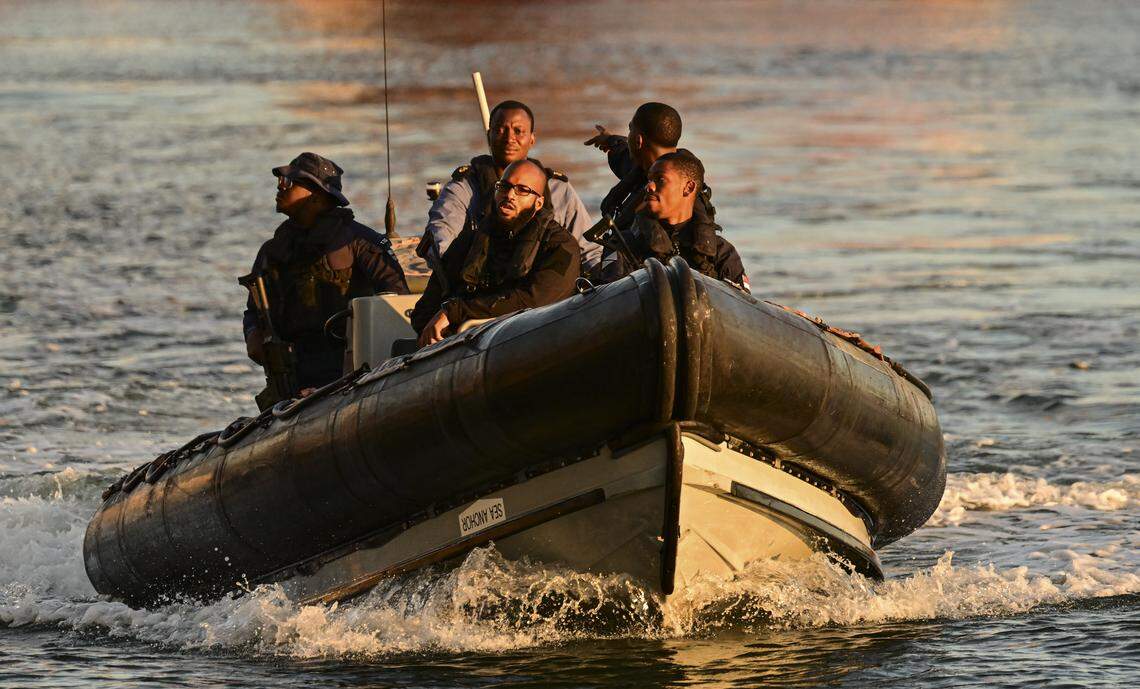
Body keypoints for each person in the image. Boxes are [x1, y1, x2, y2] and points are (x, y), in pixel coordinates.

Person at [243, 152, 409, 399]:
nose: (280, 187)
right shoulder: (273, 251)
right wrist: (253, 334)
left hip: (347, 365)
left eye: (289, 183)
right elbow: (253, 311)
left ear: (317, 196)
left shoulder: (359, 242)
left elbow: (397, 298)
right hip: (293, 369)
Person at [420, 100, 601, 276]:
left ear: (532, 139)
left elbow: (589, 251)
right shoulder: (464, 187)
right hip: (483, 286)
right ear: (489, 136)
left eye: (518, 131)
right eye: (500, 130)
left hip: (545, 288)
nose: (509, 139)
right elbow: (441, 237)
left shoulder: (558, 189)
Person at [410, 159, 580, 347]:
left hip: (535, 345)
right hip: (464, 349)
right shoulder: (471, 240)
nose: (510, 195)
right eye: (504, 186)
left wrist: (457, 311)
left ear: (538, 203)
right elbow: (426, 308)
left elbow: (534, 300)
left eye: (522, 190)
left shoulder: (561, 247)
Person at [600, 151, 750, 293]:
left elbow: (744, 309)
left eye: (660, 179)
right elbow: (610, 302)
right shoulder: (622, 245)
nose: (649, 186)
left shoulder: (721, 252)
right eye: (649, 180)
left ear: (688, 188)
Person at [583, 102, 715, 235]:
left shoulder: (667, 200)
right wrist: (611, 141)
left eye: (630, 130)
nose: (651, 186)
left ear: (638, 141)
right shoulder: (644, 169)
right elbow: (626, 158)